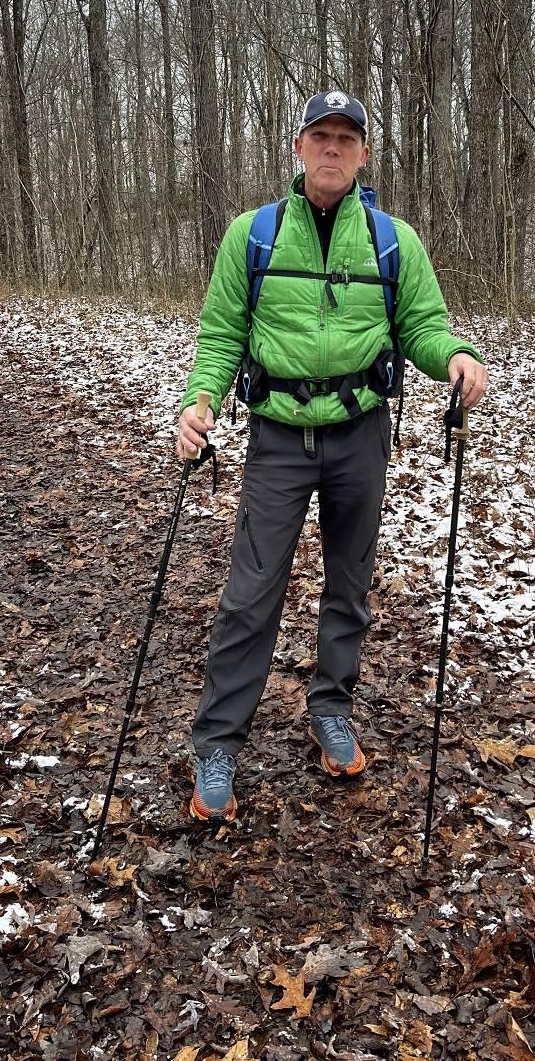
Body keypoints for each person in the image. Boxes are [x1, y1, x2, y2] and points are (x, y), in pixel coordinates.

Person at [176, 89, 487, 823]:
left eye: (347, 138)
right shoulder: (252, 235)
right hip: (278, 437)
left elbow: (422, 325)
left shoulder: (392, 241)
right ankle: (217, 743)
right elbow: (222, 333)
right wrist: (200, 400)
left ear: (364, 154)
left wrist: (454, 356)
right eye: (321, 135)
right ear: (299, 146)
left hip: (359, 434)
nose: (333, 149)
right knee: (251, 594)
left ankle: (331, 709)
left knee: (348, 584)